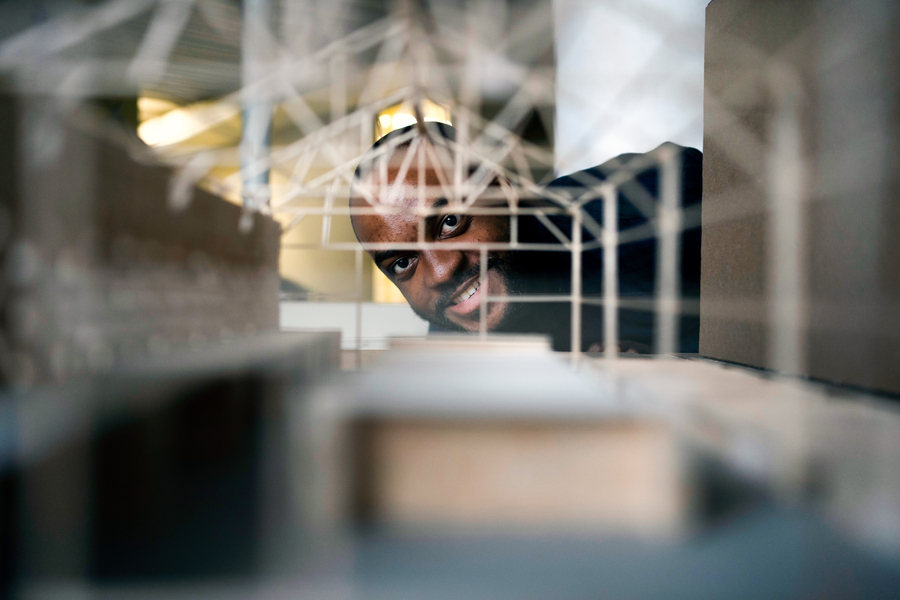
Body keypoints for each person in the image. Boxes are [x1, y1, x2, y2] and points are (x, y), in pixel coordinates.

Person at [350, 122, 701, 353]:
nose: (441, 272)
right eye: (403, 263)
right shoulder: (454, 350)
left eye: (450, 222)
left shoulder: (653, 203)